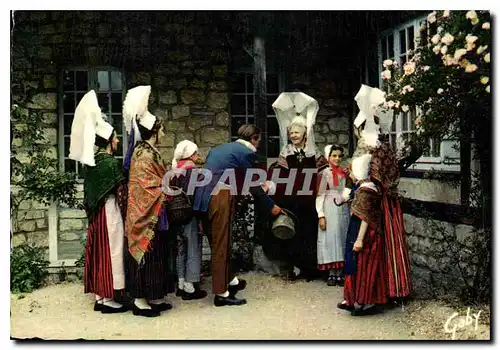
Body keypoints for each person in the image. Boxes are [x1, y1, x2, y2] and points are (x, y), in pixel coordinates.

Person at [193, 124, 284, 307]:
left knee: (216, 241)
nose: (258, 145)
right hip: (219, 197)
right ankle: (221, 293)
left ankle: (231, 280)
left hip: (201, 197)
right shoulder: (246, 152)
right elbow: (253, 184)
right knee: (221, 244)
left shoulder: (222, 149)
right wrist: (271, 207)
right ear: (254, 138)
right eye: (258, 140)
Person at [352, 84, 413, 302]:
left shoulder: (375, 148)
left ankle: (381, 291)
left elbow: (377, 177)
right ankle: (385, 290)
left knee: (375, 246)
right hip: (383, 199)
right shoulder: (379, 147)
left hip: (379, 199)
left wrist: (364, 181)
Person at [69, 90, 127, 314]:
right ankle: (109, 297)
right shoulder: (109, 163)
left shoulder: (92, 163)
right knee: (112, 251)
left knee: (99, 253)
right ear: (109, 141)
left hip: (97, 214)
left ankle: (100, 296)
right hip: (109, 212)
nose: (117, 140)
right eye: (115, 137)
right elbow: (119, 191)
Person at [123, 85, 175, 317]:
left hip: (154, 213)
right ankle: (139, 301)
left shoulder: (147, 151)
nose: (164, 134)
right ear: (154, 131)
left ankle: (152, 296)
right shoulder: (144, 153)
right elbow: (145, 186)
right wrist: (166, 186)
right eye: (162, 130)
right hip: (145, 215)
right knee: (147, 255)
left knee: (156, 256)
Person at [267, 92, 328, 282]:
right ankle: (291, 268)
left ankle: (309, 269)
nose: (293, 135)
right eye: (291, 132)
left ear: (305, 134)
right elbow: (278, 173)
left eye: (297, 132)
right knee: (291, 234)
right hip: (291, 200)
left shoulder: (313, 153)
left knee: (308, 234)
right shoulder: (285, 152)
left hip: (308, 201)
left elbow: (323, 171)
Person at [338, 153, 388, 316]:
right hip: (359, 229)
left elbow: (366, 217)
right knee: (356, 266)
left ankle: (365, 302)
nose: (350, 174)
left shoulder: (366, 190)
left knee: (364, 267)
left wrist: (359, 240)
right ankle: (353, 299)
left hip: (365, 234)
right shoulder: (364, 187)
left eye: (352, 170)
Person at [170, 140, 207, 300]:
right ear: (191, 155)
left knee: (180, 249)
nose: (198, 156)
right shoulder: (193, 171)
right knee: (193, 247)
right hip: (189, 215)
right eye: (196, 153)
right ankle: (191, 287)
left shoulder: (174, 170)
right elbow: (196, 195)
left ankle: (180, 283)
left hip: (175, 215)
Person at [316, 145, 352, 286]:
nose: (337, 158)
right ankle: (331, 273)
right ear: (328, 157)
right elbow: (319, 196)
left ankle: (340, 273)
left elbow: (348, 190)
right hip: (328, 206)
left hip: (342, 206)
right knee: (330, 239)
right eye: (334, 156)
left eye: (339, 156)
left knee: (342, 238)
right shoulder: (324, 174)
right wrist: (321, 215)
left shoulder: (345, 173)